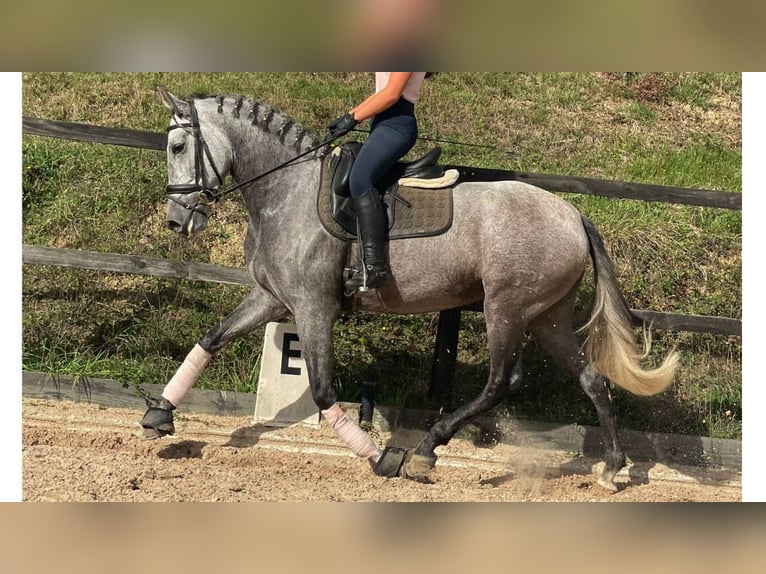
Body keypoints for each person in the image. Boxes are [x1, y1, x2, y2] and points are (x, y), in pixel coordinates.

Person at [327, 72, 428, 293]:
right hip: (381, 123)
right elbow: (380, 93)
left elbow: (391, 94)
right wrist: (349, 116)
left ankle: (374, 266)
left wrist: (353, 118)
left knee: (360, 179)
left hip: (397, 125)